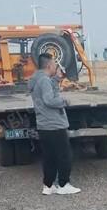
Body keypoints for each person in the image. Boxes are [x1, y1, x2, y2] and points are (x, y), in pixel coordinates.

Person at [28, 53, 81, 196]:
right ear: (49, 65)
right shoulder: (44, 80)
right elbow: (49, 100)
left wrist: (57, 79)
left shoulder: (37, 79)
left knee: (49, 157)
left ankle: (48, 185)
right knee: (65, 155)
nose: (56, 67)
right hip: (54, 124)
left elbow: (49, 93)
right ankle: (63, 184)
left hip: (44, 125)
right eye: (54, 65)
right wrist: (64, 102)